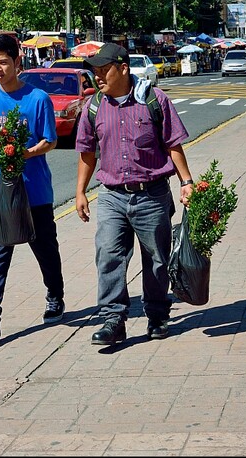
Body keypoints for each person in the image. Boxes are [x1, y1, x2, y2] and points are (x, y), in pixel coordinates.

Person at [74, 43, 195, 347]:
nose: (98, 77)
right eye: (95, 72)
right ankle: (114, 320)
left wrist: (186, 181)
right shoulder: (93, 107)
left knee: (156, 259)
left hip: (151, 194)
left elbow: (173, 144)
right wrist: (80, 193)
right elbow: (87, 153)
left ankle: (156, 316)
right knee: (109, 254)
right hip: (112, 196)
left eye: (104, 71)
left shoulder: (155, 100)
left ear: (123, 69)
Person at [0, 34, 65, 344]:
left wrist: (26, 151)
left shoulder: (38, 99)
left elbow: (50, 140)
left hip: (35, 190)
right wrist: (3, 141)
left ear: (17, 61)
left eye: (3, 63)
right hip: (0, 188)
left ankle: (55, 295)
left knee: (45, 250)